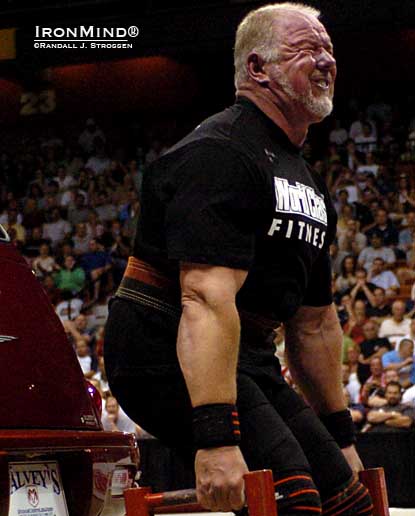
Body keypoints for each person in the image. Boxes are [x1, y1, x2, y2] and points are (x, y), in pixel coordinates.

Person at [104, 4, 372, 515]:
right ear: (257, 69)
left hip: (247, 358)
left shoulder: (308, 184)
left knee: (348, 501)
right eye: (306, 50)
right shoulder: (220, 152)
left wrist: (340, 437)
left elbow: (314, 326)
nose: (325, 60)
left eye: (328, 49)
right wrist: (215, 439)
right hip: (161, 350)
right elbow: (203, 297)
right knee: (293, 497)